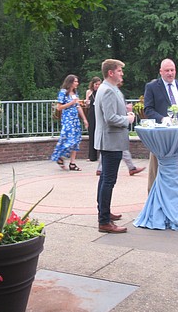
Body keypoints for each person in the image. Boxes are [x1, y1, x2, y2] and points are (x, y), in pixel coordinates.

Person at [143, 59, 178, 210]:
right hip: (161, 136)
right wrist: (163, 119)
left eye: (172, 70)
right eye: (167, 71)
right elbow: (148, 109)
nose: (170, 73)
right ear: (161, 72)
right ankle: (153, 200)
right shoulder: (152, 87)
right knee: (156, 169)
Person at [95, 59, 135, 233]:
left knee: (105, 178)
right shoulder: (108, 91)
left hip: (110, 140)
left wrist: (125, 111)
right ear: (111, 72)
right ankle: (104, 221)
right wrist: (128, 119)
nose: (122, 73)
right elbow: (110, 118)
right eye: (120, 71)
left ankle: (104, 213)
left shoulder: (110, 89)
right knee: (108, 180)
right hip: (111, 141)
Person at [51, 75, 89, 171]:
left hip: (75, 119)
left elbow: (78, 106)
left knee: (76, 140)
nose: (77, 83)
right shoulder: (63, 92)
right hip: (67, 119)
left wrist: (84, 119)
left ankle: (72, 163)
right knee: (69, 138)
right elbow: (59, 107)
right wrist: (71, 103)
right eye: (75, 81)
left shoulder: (75, 93)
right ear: (70, 82)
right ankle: (59, 155)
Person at [85, 77, 102, 162]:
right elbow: (87, 105)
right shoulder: (89, 92)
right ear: (93, 84)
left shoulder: (101, 92)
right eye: (96, 84)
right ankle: (92, 155)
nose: (97, 86)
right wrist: (87, 102)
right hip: (91, 114)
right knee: (91, 134)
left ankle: (101, 155)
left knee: (99, 133)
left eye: (99, 84)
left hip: (99, 114)